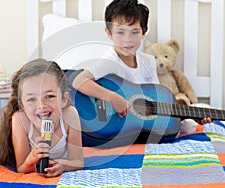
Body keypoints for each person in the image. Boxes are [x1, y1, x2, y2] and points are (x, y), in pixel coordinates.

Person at [72, 0, 211, 131]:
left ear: (144, 32)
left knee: (198, 111)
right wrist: (111, 97)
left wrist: (187, 114)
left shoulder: (148, 62)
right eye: (120, 32)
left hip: (140, 123)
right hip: (117, 125)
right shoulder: (109, 62)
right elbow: (79, 81)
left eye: (135, 32)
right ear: (109, 33)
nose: (127, 39)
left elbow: (155, 102)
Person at [0, 59, 84, 177]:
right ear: (22, 104)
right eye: (31, 99)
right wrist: (32, 158)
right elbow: (21, 168)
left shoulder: (70, 115)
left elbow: (78, 161)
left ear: (64, 99)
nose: (42, 105)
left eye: (49, 96)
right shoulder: (19, 120)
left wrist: (64, 165)